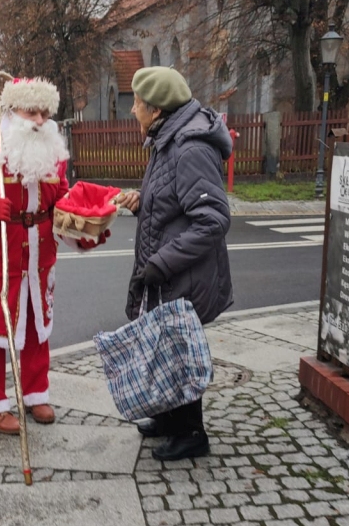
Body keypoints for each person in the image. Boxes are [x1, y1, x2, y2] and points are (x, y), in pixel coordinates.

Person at [0, 77, 106, 435]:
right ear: (12, 110)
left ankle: (35, 393)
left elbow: (59, 203)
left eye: (45, 113)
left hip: (38, 257)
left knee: (35, 329)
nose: (41, 121)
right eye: (32, 112)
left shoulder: (51, 150)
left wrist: (83, 228)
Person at [119, 66, 233, 461]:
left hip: (185, 273)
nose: (132, 110)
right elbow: (175, 206)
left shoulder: (190, 147)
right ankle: (170, 420)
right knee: (168, 347)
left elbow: (213, 219)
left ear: (156, 108)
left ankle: (192, 434)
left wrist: (162, 262)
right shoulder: (168, 140)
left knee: (181, 352)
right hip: (172, 272)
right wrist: (141, 201)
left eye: (136, 103)